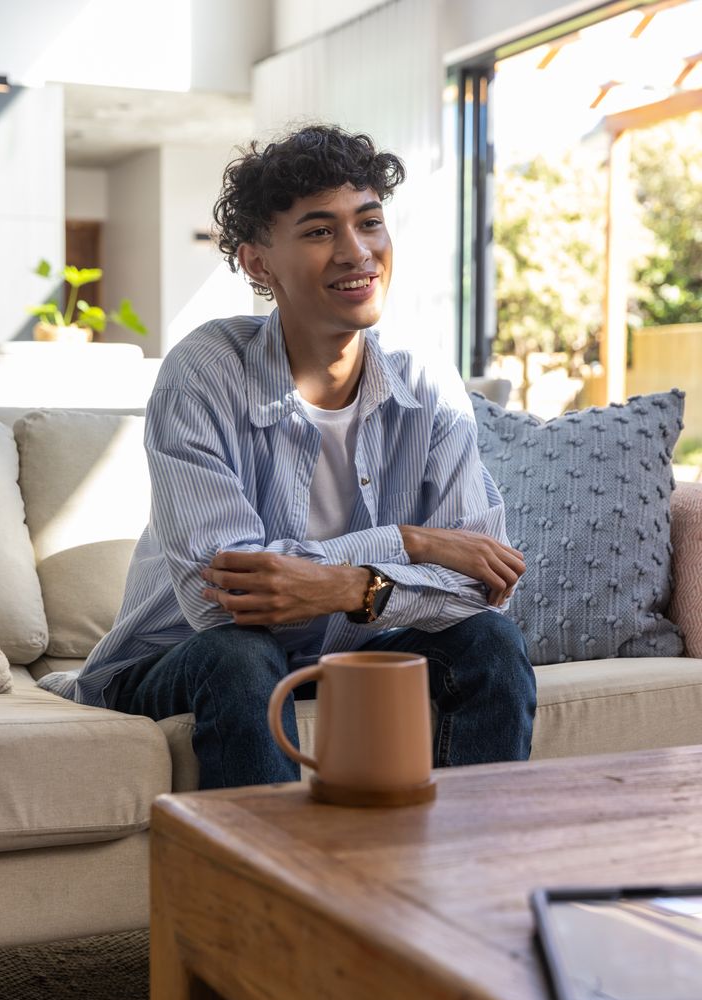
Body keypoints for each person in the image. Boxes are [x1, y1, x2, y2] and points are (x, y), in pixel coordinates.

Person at [39, 124, 536, 790]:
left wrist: (354, 589)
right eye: (318, 231)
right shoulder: (205, 371)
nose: (356, 252)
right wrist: (411, 543)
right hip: (183, 656)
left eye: (369, 222)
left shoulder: (427, 382)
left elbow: (483, 587)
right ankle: (269, 889)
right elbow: (227, 604)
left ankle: (460, 880)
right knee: (241, 657)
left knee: (491, 649)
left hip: (350, 646)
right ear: (257, 264)